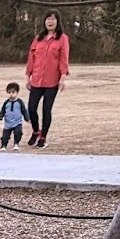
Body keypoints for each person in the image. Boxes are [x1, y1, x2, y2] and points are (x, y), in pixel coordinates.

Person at [25, 11, 70, 148]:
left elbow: (64, 59)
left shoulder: (62, 39)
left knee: (46, 110)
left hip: (52, 81)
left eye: (53, 19)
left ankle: (43, 137)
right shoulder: (38, 38)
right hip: (37, 79)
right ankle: (35, 131)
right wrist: (28, 76)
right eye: (48, 19)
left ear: (57, 22)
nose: (50, 22)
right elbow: (31, 58)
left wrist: (62, 77)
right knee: (31, 108)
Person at [0, 83, 30, 150]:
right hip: (8, 123)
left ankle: (16, 143)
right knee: (5, 136)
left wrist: (27, 118)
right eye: (9, 92)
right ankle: (3, 145)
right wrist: (1, 116)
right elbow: (3, 110)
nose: (11, 94)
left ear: (17, 93)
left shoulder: (20, 102)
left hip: (17, 122)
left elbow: (24, 111)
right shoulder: (6, 102)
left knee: (18, 133)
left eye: (13, 92)